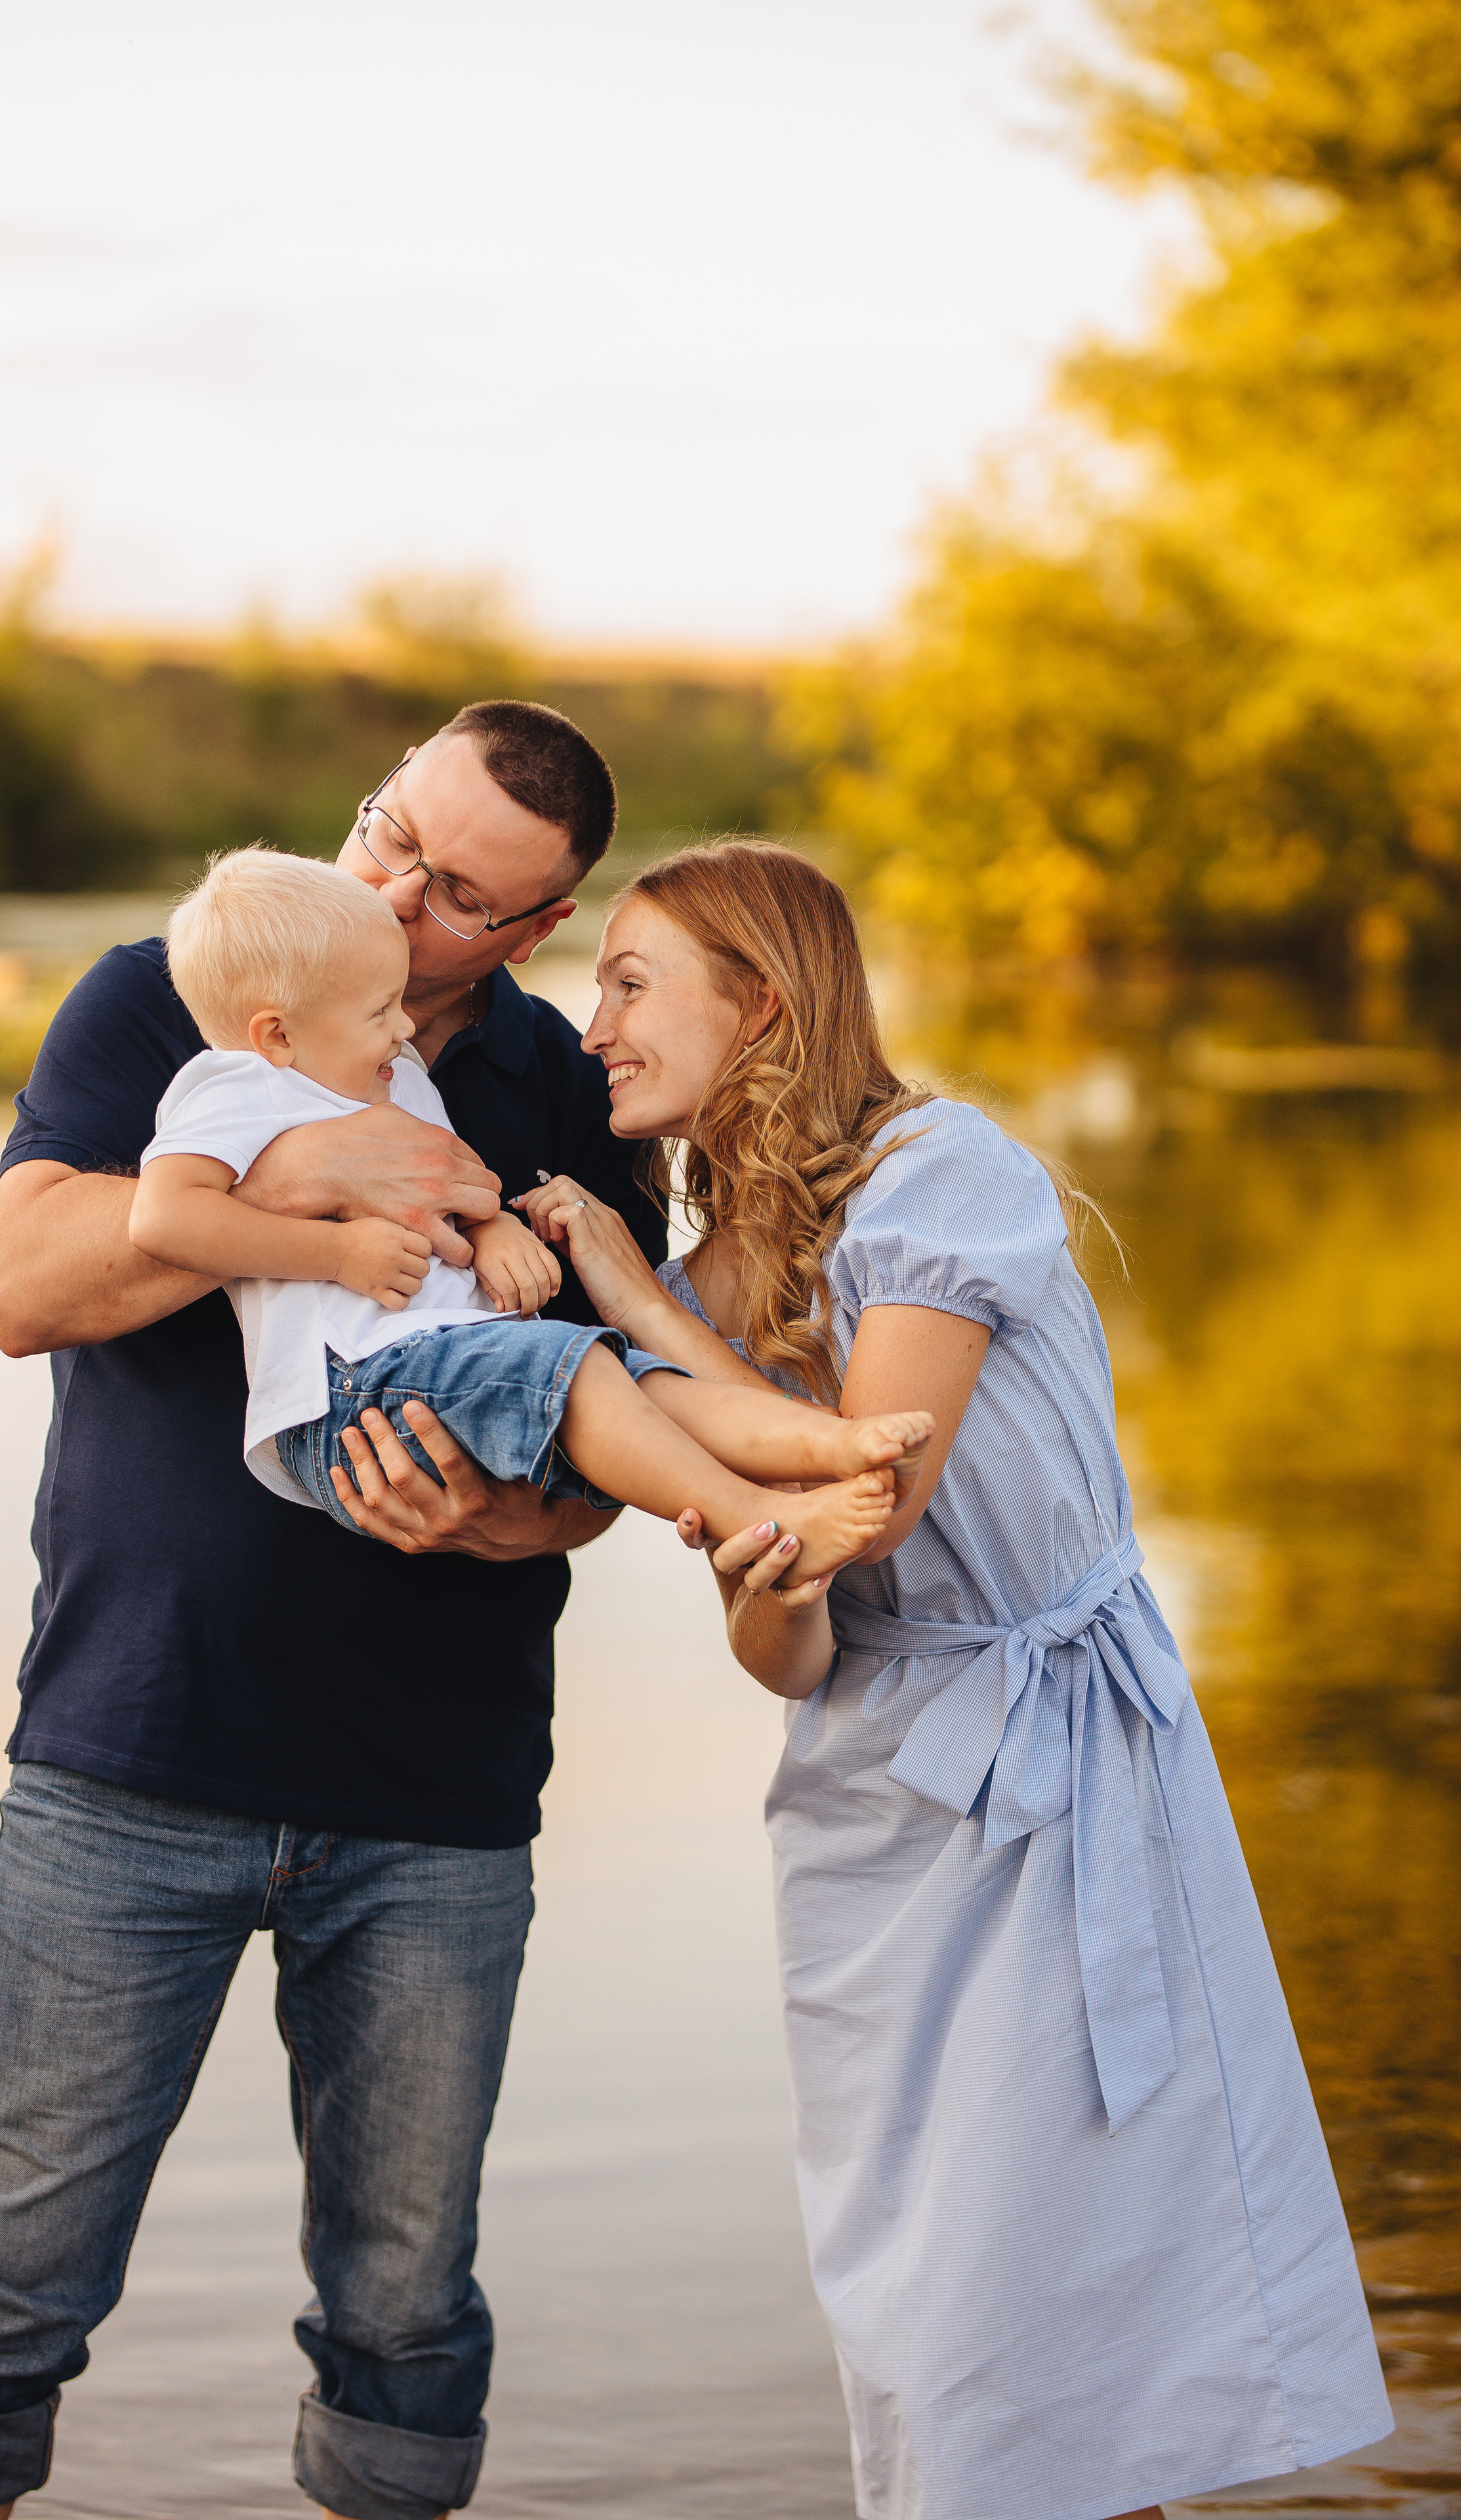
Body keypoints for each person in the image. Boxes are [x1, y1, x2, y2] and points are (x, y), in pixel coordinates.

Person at [512, 839, 1394, 2520]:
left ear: (758, 1000)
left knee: (1070, 2304)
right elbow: (788, 1631)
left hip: (1053, 1767)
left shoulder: (942, 1171)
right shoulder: (718, 1288)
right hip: (870, 1797)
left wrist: (620, 1298)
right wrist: (760, 1570)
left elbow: (879, 1473)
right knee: (932, 2324)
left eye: (628, 981)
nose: (593, 1024)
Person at [0, 702, 667, 2520]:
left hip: (435, 1798)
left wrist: (510, 1525)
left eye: (457, 892)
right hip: (130, 1751)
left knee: (406, 2323)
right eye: (392, 828)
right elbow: (22, 1289)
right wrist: (285, 1181)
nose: (392, 882)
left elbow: (612, 1434)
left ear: (531, 934)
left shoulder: (561, 1087)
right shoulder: (170, 998)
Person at [132, 844, 930, 1572]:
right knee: (579, 1370)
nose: (404, 1024)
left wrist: (493, 1228)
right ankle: (762, 1516)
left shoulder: (393, 1074)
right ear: (275, 1034)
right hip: (350, 1391)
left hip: (449, 1354)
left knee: (638, 1382)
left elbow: (448, 1184)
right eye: (379, 1011)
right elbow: (166, 1222)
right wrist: (336, 1255)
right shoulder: (235, 1088)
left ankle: (831, 1442)